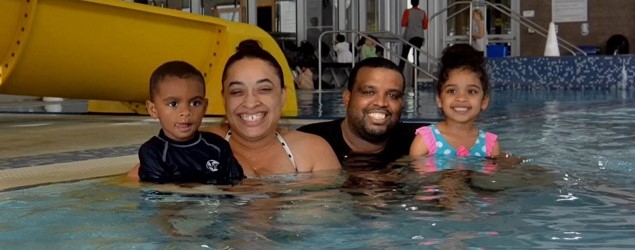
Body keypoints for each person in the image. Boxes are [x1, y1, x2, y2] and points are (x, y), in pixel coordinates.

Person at [201, 39, 341, 177]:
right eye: (237, 92)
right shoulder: (200, 147)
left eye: (264, 89)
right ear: (224, 98)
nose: (250, 103)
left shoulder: (314, 151)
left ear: (282, 96)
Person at [133, 61, 245, 184]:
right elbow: (159, 196)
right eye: (173, 104)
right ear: (153, 110)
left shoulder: (218, 146)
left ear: (205, 107)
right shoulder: (153, 153)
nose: (186, 112)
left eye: (195, 103)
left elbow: (239, 186)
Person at [297, 57, 427, 164]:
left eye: (392, 95)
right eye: (369, 92)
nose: (381, 103)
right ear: (347, 98)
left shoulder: (422, 141)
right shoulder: (309, 141)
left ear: (402, 103)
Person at [409, 44, 501, 159]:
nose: (461, 98)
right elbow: (415, 175)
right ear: (439, 99)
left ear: (484, 101)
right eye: (452, 91)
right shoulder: (425, 140)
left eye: (471, 91)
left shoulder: (490, 146)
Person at [398, 0, 428, 71]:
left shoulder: (407, 11)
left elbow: (403, 23)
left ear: (411, 3)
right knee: (416, 55)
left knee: (404, 54)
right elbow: (425, 26)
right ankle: (416, 73)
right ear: (418, 3)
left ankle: (400, 70)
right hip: (419, 36)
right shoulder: (422, 12)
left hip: (409, 36)